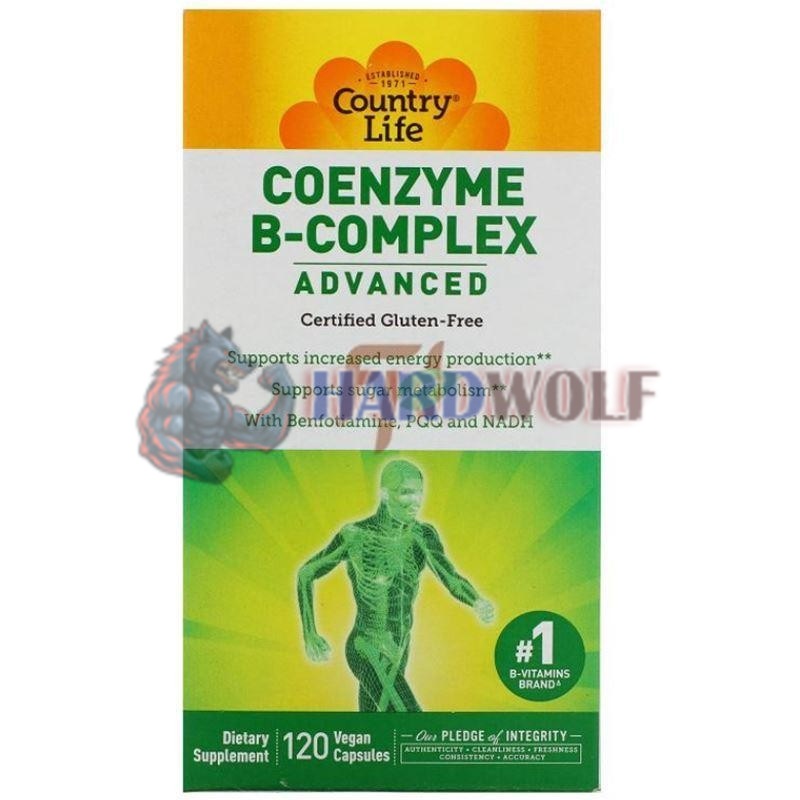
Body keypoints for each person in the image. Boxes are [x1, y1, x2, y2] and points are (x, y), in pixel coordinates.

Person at [297, 459, 495, 711]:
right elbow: (306, 573)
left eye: (419, 492)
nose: (416, 501)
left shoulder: (422, 535)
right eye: (405, 493)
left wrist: (476, 601)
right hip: (367, 647)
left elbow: (451, 577)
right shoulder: (356, 535)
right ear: (384, 494)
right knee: (411, 720)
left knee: (376, 727)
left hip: (400, 651)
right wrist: (310, 634)